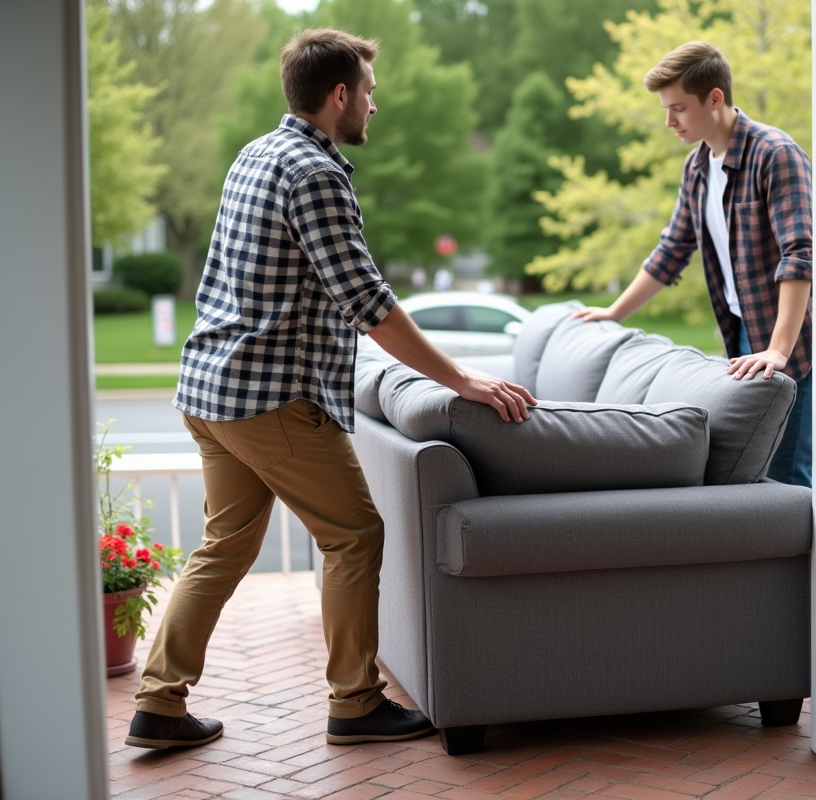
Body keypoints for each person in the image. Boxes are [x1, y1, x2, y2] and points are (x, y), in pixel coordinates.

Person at [125, 28, 535, 751]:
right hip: (268, 398)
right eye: (369, 93)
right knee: (354, 533)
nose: (374, 108)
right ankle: (354, 701)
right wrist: (462, 378)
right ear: (338, 95)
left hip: (210, 392)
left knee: (223, 545)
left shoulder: (256, 153)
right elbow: (367, 300)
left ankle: (159, 702)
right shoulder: (315, 174)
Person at [576, 41, 813, 487]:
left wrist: (780, 350)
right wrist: (613, 313)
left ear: (715, 98)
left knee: (789, 473)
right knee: (752, 470)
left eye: (679, 109)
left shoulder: (775, 154)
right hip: (742, 331)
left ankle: (812, 559)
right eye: (667, 110)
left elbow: (800, 255)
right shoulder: (698, 166)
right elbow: (671, 249)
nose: (669, 121)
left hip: (792, 339)